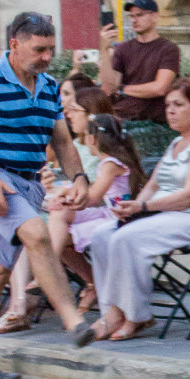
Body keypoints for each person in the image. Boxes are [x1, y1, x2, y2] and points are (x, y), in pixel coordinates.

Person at [0, 12, 96, 379]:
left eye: (50, 50)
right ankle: (72, 320)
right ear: (14, 44)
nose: (46, 57)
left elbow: (61, 140)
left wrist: (78, 177)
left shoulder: (47, 87)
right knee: (37, 233)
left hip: (27, 183)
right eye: (39, 49)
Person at [88, 78, 190, 342]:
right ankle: (112, 312)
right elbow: (153, 185)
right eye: (167, 105)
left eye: (178, 104)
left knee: (125, 238)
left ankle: (135, 316)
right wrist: (132, 210)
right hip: (165, 215)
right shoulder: (176, 143)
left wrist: (144, 207)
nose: (170, 111)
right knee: (101, 235)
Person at [49, 112, 147, 309]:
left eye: (86, 136)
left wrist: (67, 194)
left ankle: (49, 265)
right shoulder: (109, 163)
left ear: (93, 138)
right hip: (107, 213)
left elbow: (93, 197)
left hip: (116, 218)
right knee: (59, 214)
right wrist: (65, 196)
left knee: (61, 229)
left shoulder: (111, 164)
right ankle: (83, 277)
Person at [98, 0, 181, 124]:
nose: (134, 20)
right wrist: (104, 50)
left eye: (139, 15)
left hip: (152, 122)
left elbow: (159, 88)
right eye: (132, 16)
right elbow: (110, 87)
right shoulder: (123, 49)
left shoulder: (168, 49)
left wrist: (122, 89)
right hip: (120, 116)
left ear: (155, 17)